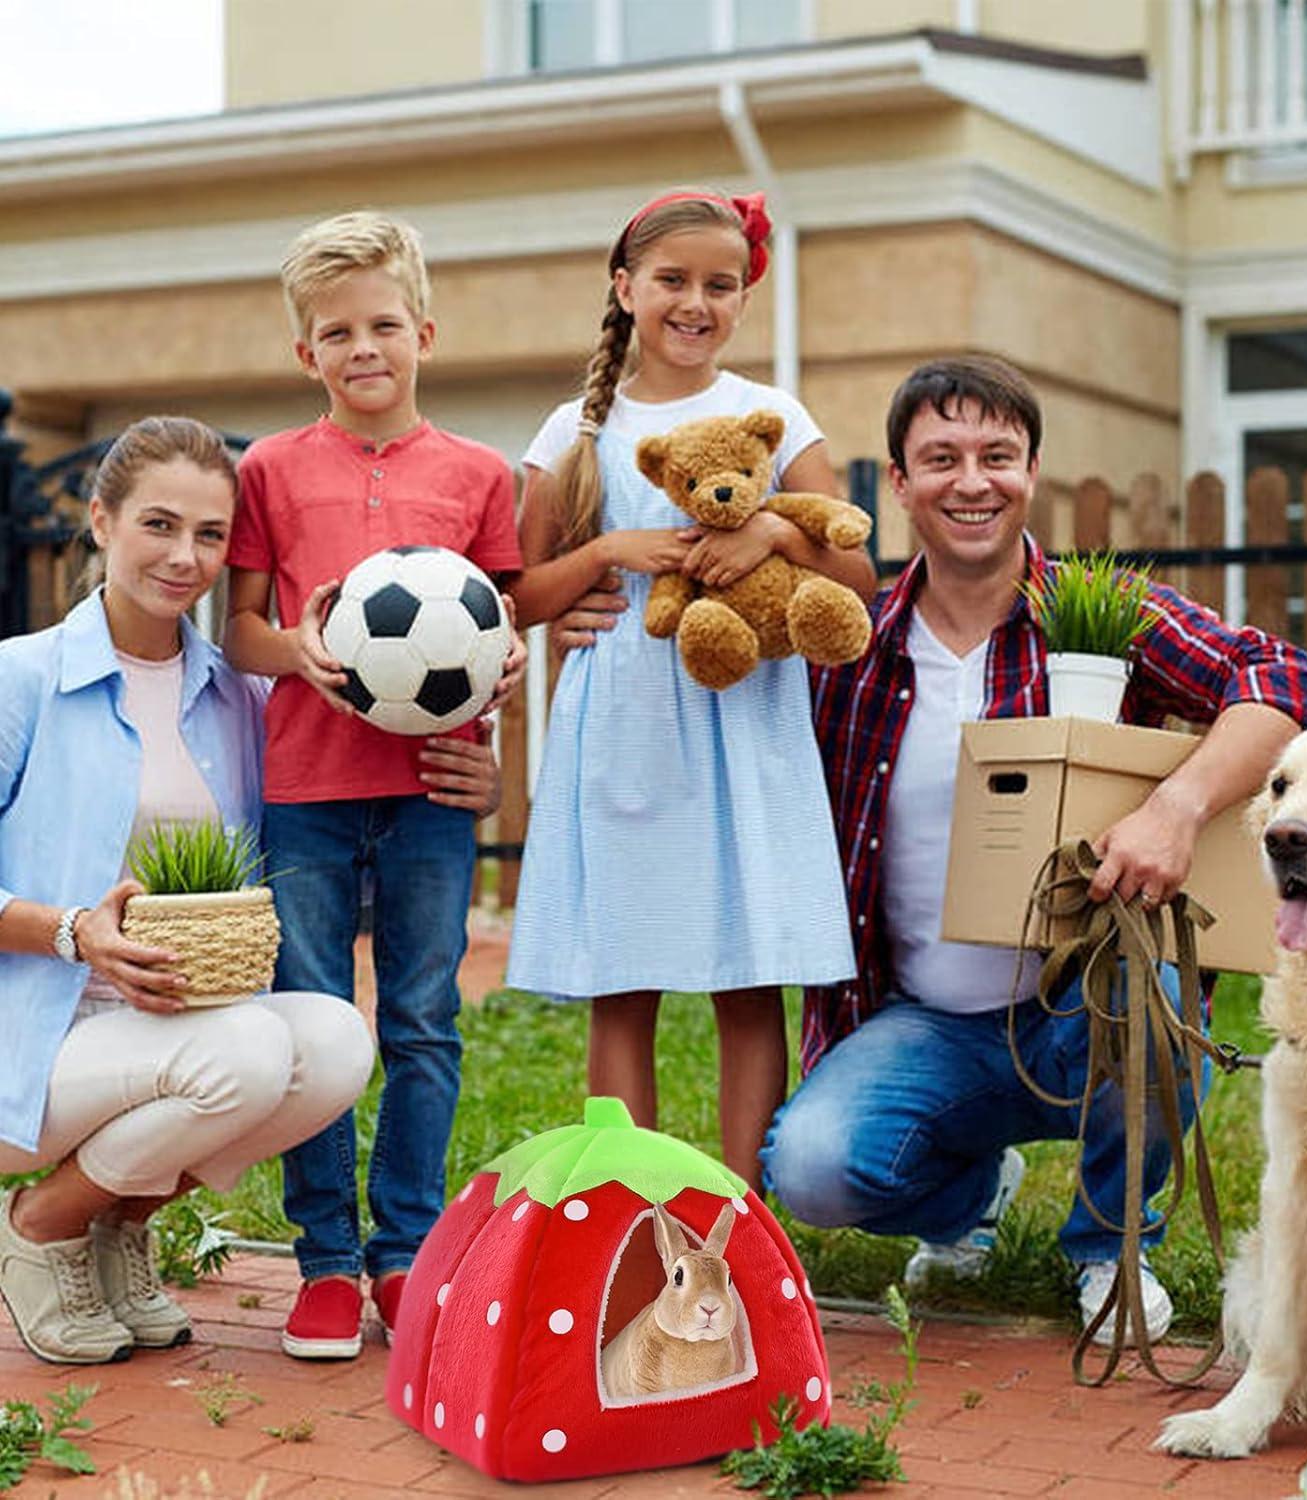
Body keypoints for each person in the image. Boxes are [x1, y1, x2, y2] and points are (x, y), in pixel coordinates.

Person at [565, 354, 1307, 1342]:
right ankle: (971, 1197)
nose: (972, 481)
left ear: (1031, 469)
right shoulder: (847, 643)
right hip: (921, 1020)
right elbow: (707, 741)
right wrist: (569, 623)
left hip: (1079, 1004)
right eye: (941, 459)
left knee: (1159, 997)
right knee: (809, 1168)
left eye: (996, 456)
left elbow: (1285, 682)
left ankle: (1109, 1248)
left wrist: (1176, 809)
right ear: (896, 484)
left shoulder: (1098, 617)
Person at [505, 188, 875, 1193]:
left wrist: (772, 535)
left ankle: (736, 1217)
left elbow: (856, 575)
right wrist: (609, 553)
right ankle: (632, 1207)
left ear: (745, 296)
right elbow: (519, 595)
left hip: (744, 721)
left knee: (748, 979)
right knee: (623, 982)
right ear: (625, 289)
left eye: (721, 284)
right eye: (673, 281)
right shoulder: (572, 431)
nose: (695, 303)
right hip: (624, 731)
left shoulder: (775, 417)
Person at [0, 416, 376, 1367]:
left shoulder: (237, 698)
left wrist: (472, 773)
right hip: (35, 1039)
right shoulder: (23, 678)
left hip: (176, 1031)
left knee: (335, 1041)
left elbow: (336, 816)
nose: (185, 556)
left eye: (210, 536)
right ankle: (43, 1224)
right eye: (159, 525)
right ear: (101, 521)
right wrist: (74, 932)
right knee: (248, 1049)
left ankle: (117, 1224)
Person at [224, 211, 526, 1360]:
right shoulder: (268, 468)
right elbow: (243, 625)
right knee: (311, 1025)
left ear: (425, 333)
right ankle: (324, 1264)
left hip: (431, 795)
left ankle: (404, 1251)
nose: (364, 347)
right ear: (308, 354)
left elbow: (498, 636)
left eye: (384, 325)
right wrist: (294, 653)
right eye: (337, 331)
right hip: (304, 785)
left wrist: (499, 686)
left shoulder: (478, 475)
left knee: (422, 1021)